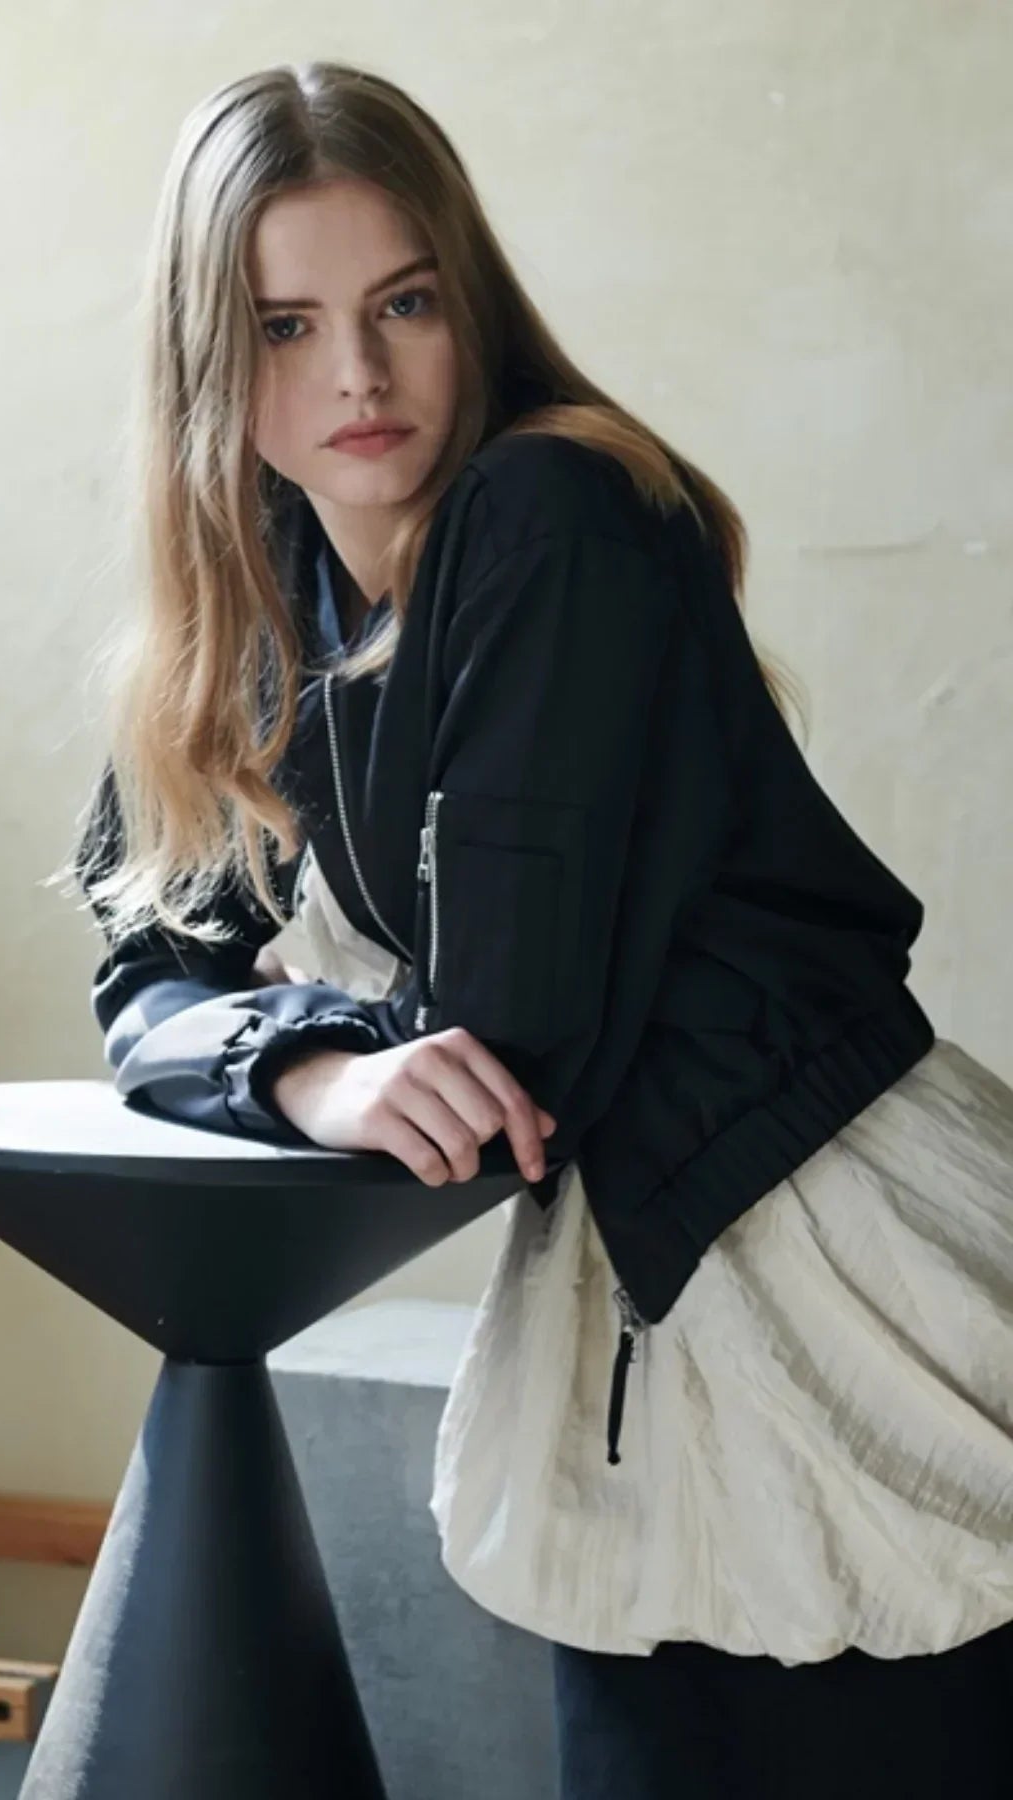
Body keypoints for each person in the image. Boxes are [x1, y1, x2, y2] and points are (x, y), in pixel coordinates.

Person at [53, 59, 1013, 1798]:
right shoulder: (254, 626)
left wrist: (319, 1043)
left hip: (834, 1261)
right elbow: (142, 970)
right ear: (208, 363)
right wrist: (314, 1071)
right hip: (629, 1322)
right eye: (283, 325)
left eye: (403, 302)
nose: (357, 373)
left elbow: (513, 1029)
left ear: (469, 306)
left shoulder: (550, 508)